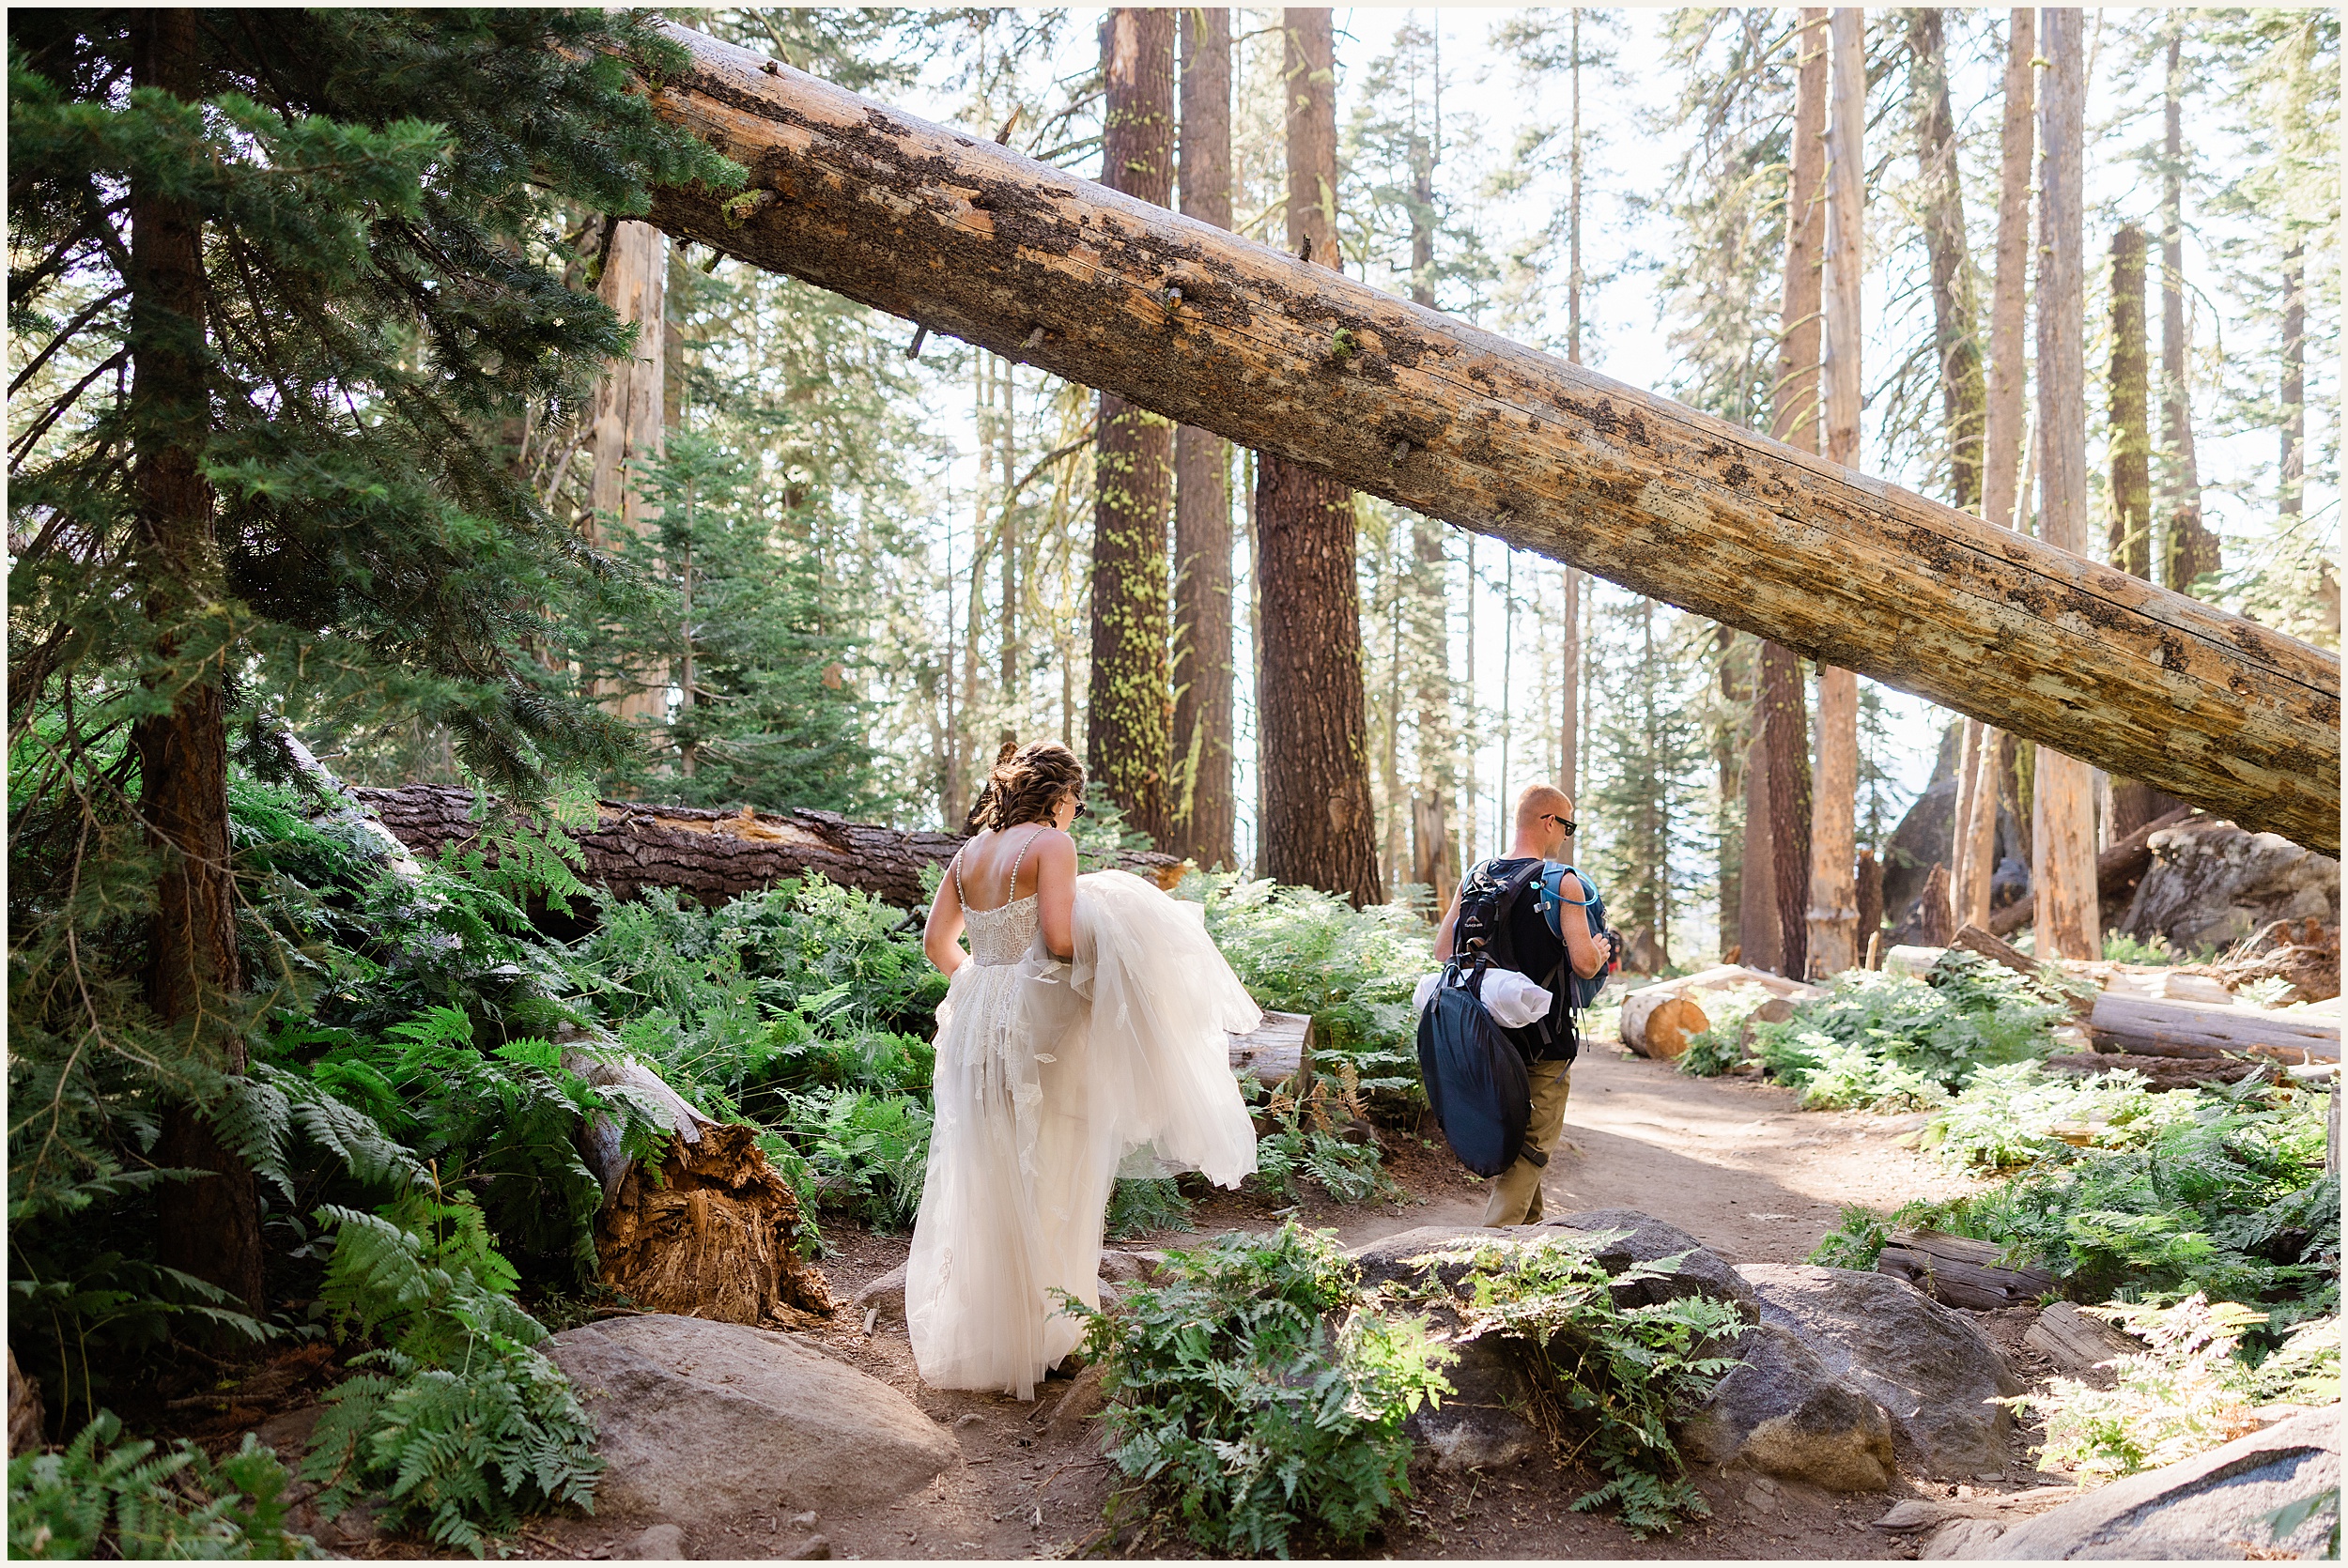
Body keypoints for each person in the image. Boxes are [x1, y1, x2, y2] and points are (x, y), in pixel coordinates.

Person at [908, 742, 1260, 1399]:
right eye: (1077, 801)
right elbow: (1062, 940)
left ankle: (993, 1333)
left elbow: (937, 945)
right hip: (1035, 1021)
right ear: (1059, 796)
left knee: (988, 1168)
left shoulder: (968, 855)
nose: (1077, 813)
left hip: (976, 1015)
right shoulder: (1050, 845)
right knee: (1055, 1167)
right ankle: (1053, 1337)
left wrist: (984, 986)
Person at [1431, 783, 1621, 1227]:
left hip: (1485, 1034)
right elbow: (1584, 965)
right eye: (1567, 825)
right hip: (1545, 1040)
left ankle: (1529, 1238)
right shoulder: (1563, 882)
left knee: (1518, 1136)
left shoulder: (1476, 876)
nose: (1567, 835)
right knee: (1535, 1141)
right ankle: (1492, 1247)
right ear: (1549, 822)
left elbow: (1444, 951)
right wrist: (1599, 948)